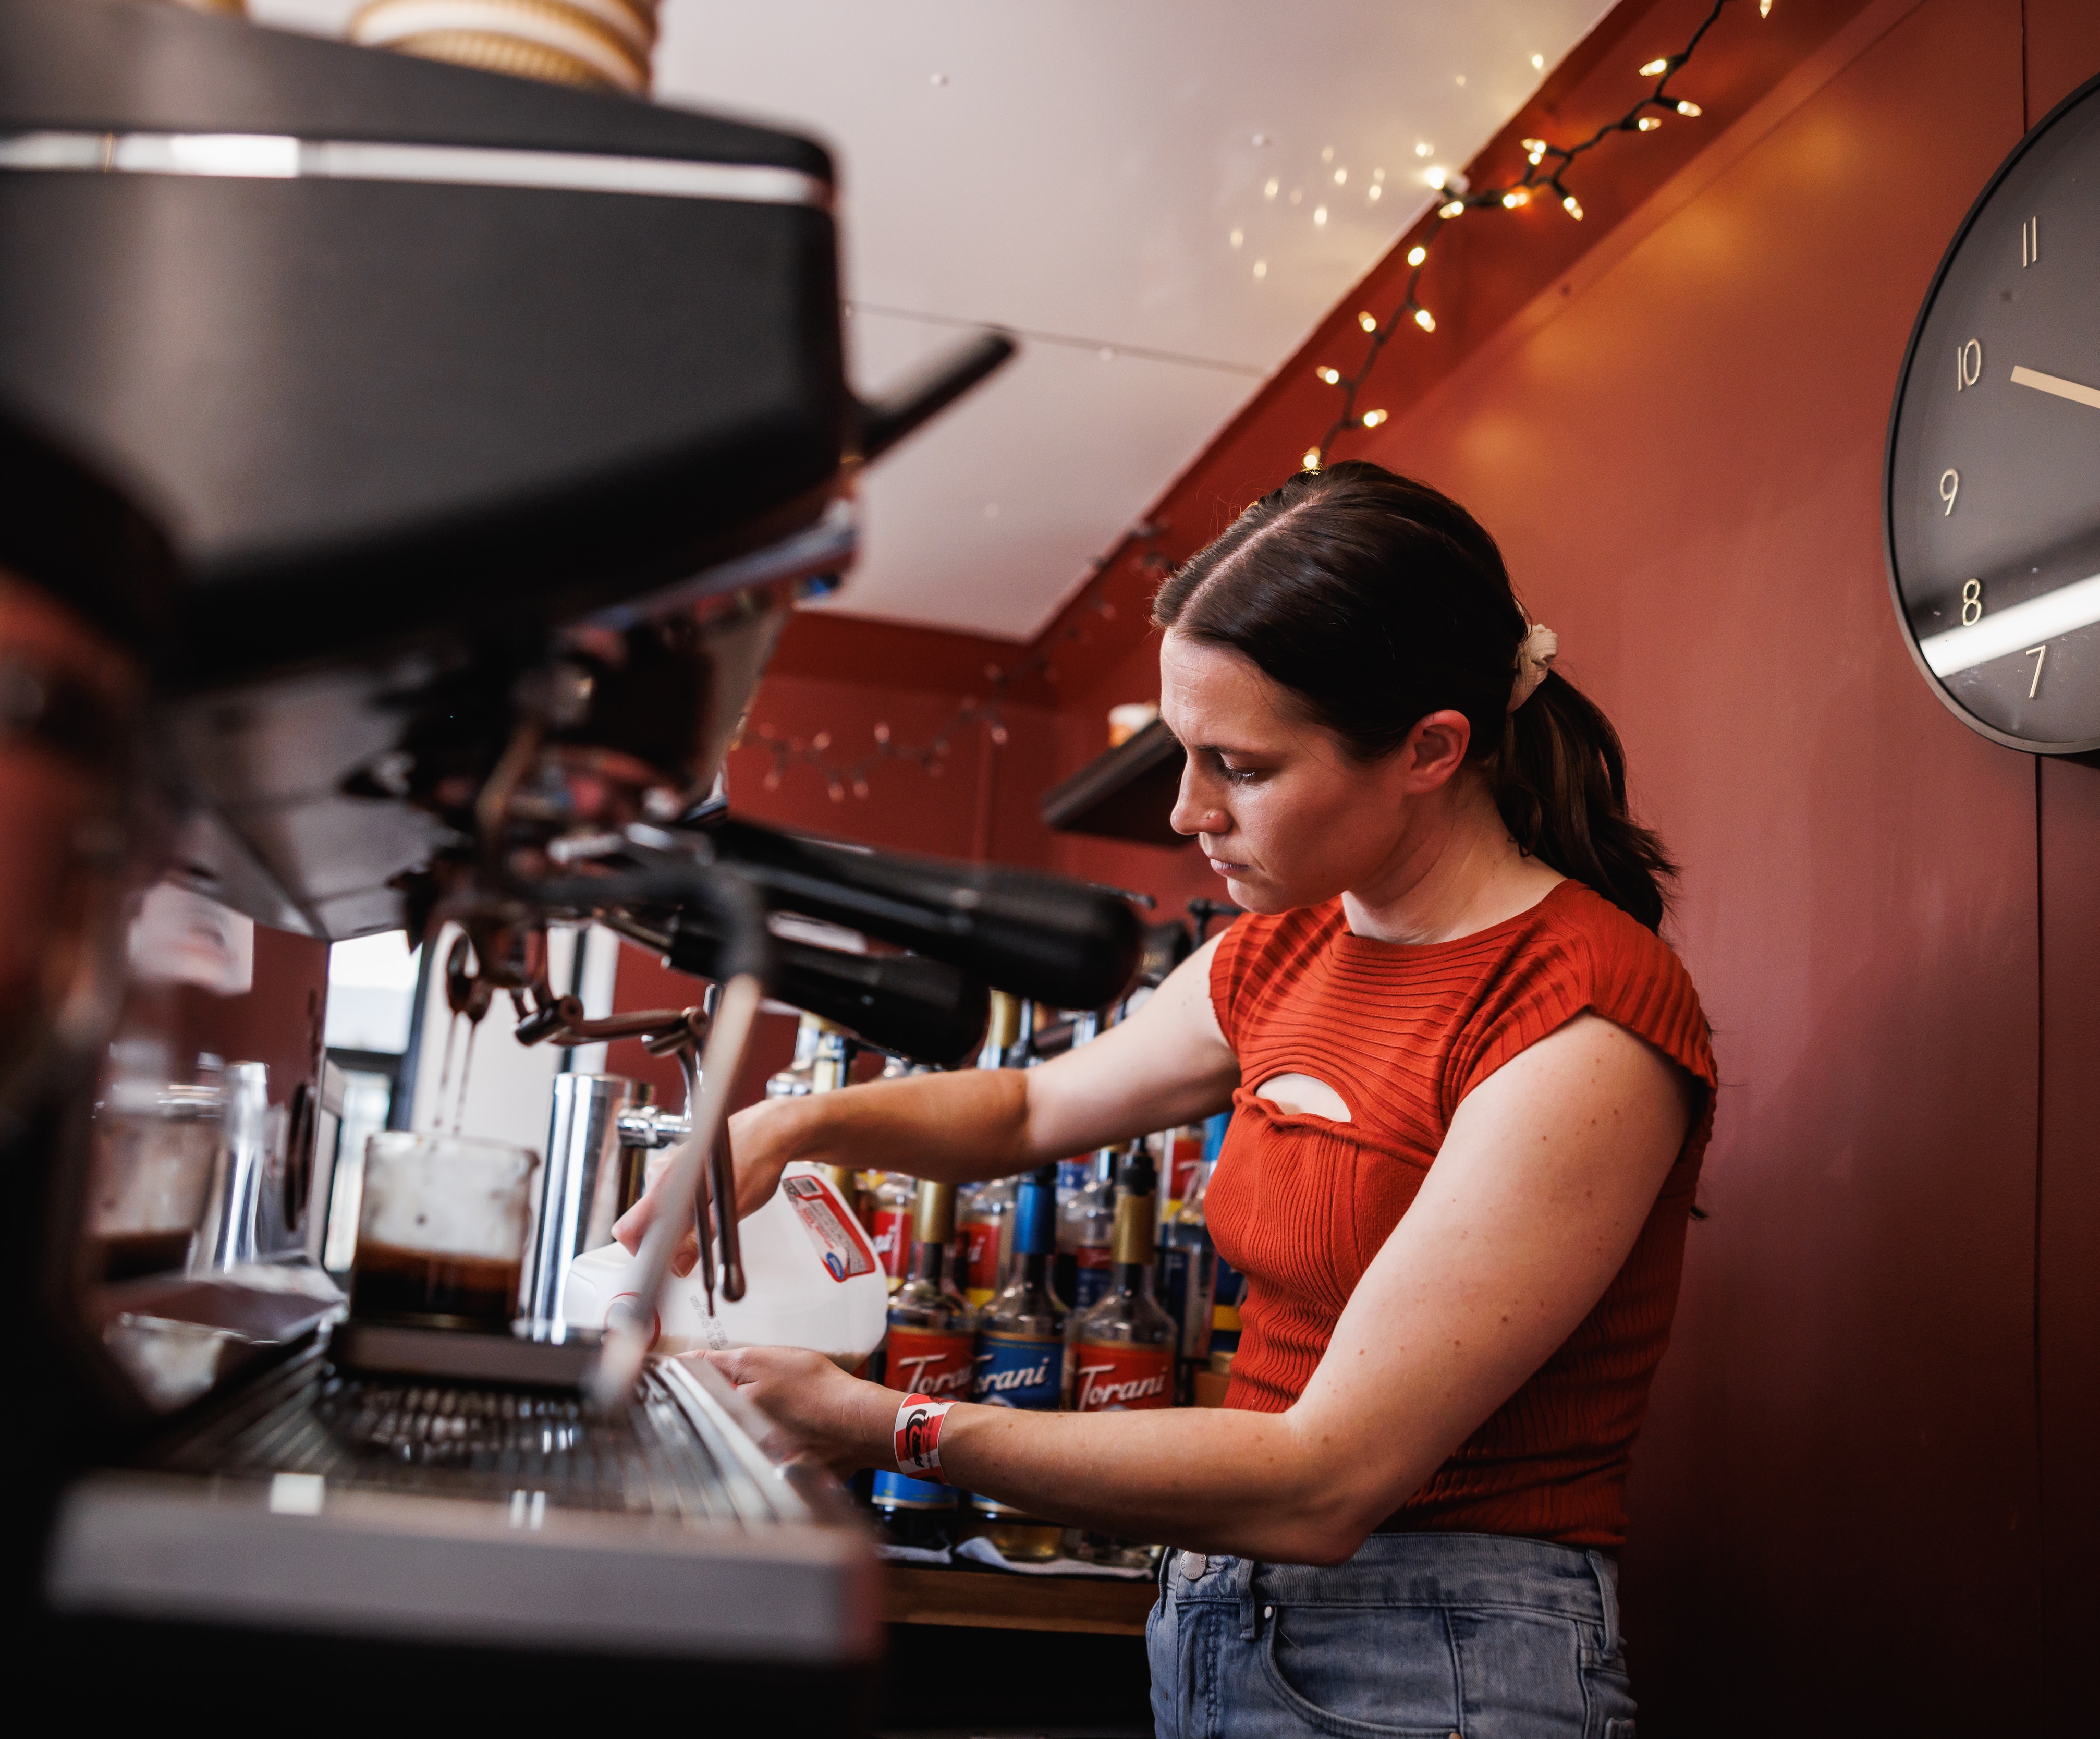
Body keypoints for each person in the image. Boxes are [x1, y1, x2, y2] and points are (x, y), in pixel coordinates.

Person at [617, 460, 1715, 1737]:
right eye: (1178, 753)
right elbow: (1034, 1112)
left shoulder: (1577, 1015)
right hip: (1217, 1615)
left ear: (1430, 749)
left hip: (1441, 1656)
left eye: (1237, 766)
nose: (1189, 811)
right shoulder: (1282, 950)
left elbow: (1326, 1479)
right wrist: (786, 1122)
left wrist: (884, 1424)